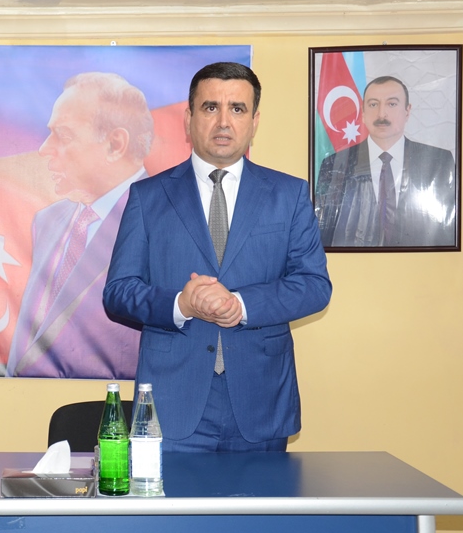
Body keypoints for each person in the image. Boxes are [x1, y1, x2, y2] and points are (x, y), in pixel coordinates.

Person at [103, 62, 332, 452]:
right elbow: (119, 292)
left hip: (261, 400)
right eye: (210, 107)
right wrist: (181, 304)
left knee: (263, 497)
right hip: (173, 402)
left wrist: (240, 305)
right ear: (188, 118)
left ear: (254, 122)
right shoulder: (148, 197)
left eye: (237, 109)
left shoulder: (289, 195)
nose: (224, 121)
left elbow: (314, 286)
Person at [7, 72, 151, 378]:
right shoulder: (48, 221)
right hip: (28, 399)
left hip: (111, 403)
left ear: (115, 144)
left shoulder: (166, 220)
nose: (44, 148)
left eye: (63, 135)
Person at [314, 76, 456, 247]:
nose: (381, 114)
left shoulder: (438, 162)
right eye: (373, 104)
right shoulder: (335, 164)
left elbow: (448, 232)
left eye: (392, 104)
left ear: (407, 111)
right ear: (363, 112)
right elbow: (324, 234)